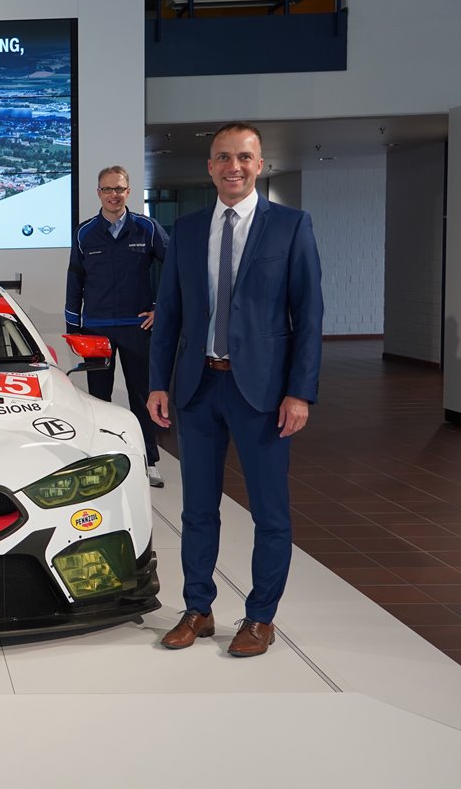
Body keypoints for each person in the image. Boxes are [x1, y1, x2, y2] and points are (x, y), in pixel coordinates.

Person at [148, 123, 323, 658]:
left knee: (271, 513)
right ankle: (198, 609)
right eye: (223, 157)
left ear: (259, 163)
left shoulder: (290, 227)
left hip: (264, 395)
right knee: (197, 510)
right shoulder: (187, 228)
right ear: (210, 166)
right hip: (199, 389)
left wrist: (301, 392)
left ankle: (261, 617)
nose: (233, 167)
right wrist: (158, 383)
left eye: (244, 157)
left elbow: (309, 315)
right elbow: (171, 313)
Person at [65, 165, 170, 488]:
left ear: (128, 191)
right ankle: (101, 456)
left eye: (119, 189)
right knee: (99, 398)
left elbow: (177, 267)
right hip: (96, 329)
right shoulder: (85, 233)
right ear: (98, 193)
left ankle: (149, 459)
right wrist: (74, 327)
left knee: (143, 396)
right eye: (107, 189)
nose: (114, 195)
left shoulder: (147, 228)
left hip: (135, 327)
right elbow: (75, 281)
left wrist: (162, 309)